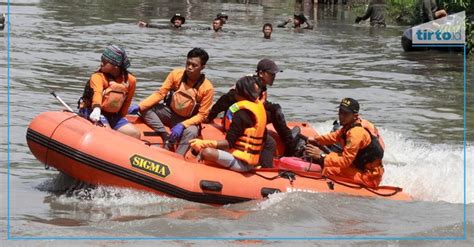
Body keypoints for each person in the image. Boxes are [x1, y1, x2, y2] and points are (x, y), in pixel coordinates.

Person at [128, 48, 214, 156]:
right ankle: (165, 136)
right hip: (169, 112)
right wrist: (140, 106)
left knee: (192, 131)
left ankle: (177, 157)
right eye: (188, 63)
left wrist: (183, 125)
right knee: (146, 108)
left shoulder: (207, 88)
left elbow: (202, 115)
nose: (189, 67)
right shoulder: (176, 74)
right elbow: (160, 94)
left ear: (202, 67)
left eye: (194, 65)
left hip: (188, 120)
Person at [206, 58, 298, 157]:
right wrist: (210, 117)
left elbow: (261, 104)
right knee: (273, 123)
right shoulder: (247, 85)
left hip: (248, 118)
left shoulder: (261, 86)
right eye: (271, 74)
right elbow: (225, 100)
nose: (274, 76)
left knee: (276, 109)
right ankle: (290, 144)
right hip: (238, 121)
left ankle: (288, 140)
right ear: (261, 73)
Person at [189, 76, 275, 171]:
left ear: (240, 93)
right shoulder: (259, 109)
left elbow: (229, 143)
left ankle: (192, 171)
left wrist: (203, 143)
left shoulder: (240, 115)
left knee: (207, 152)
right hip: (249, 158)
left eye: (236, 90)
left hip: (242, 162)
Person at [305, 98, 385, 188]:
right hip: (358, 166)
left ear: (355, 115)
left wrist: (321, 156)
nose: (341, 116)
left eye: (345, 113)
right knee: (331, 156)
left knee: (328, 168)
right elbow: (334, 136)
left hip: (369, 176)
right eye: (340, 112)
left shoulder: (356, 133)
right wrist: (316, 140)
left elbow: (345, 161)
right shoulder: (350, 125)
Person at [78, 45, 140, 139]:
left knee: (135, 133)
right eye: (101, 60)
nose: (101, 63)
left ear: (115, 65)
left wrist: (122, 117)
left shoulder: (130, 80)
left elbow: (127, 101)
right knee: (107, 133)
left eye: (105, 61)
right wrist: (96, 109)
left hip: (113, 115)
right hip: (93, 110)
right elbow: (97, 93)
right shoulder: (98, 76)